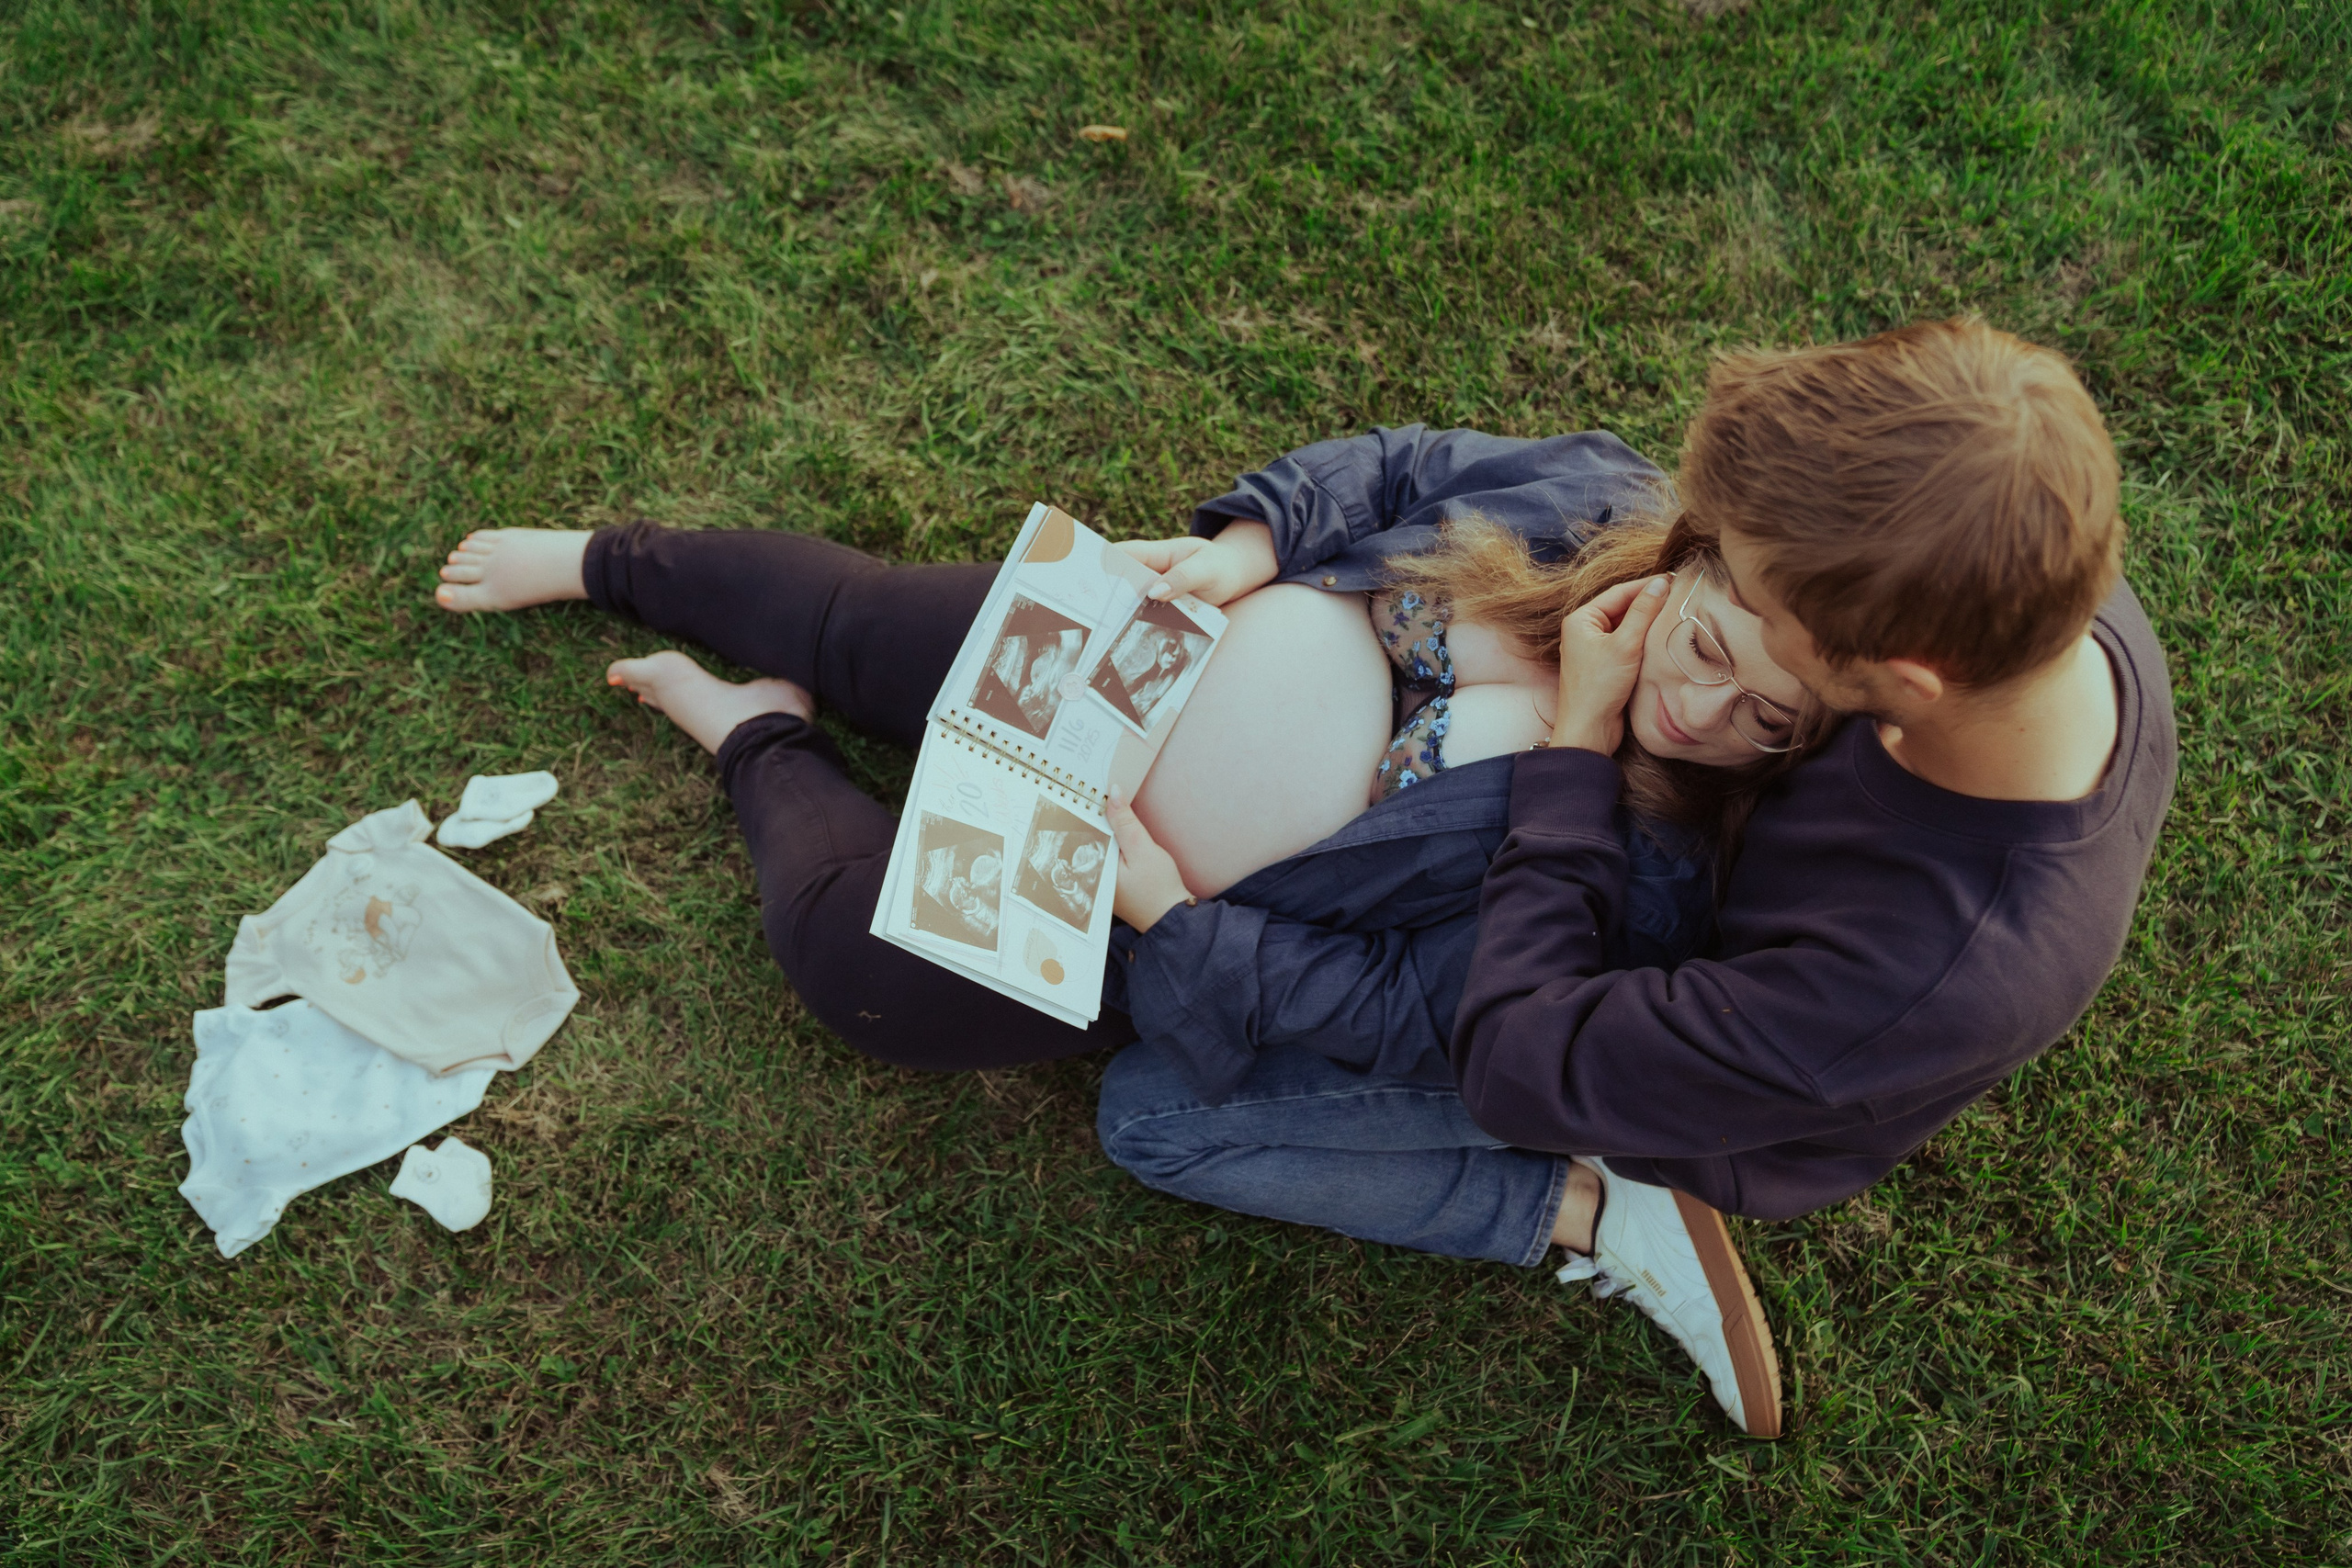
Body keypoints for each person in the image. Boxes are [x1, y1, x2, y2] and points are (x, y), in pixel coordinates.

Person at [1094, 320, 2178, 1438]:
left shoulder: (1917, 969)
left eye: (1755, 604)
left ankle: (1593, 1206)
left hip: (1655, 1074)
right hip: (1663, 968)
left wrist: (1571, 758)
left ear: (1886, 679)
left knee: (1153, 1116)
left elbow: (1521, 1054)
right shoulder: (2003, 566)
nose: (1695, 560)